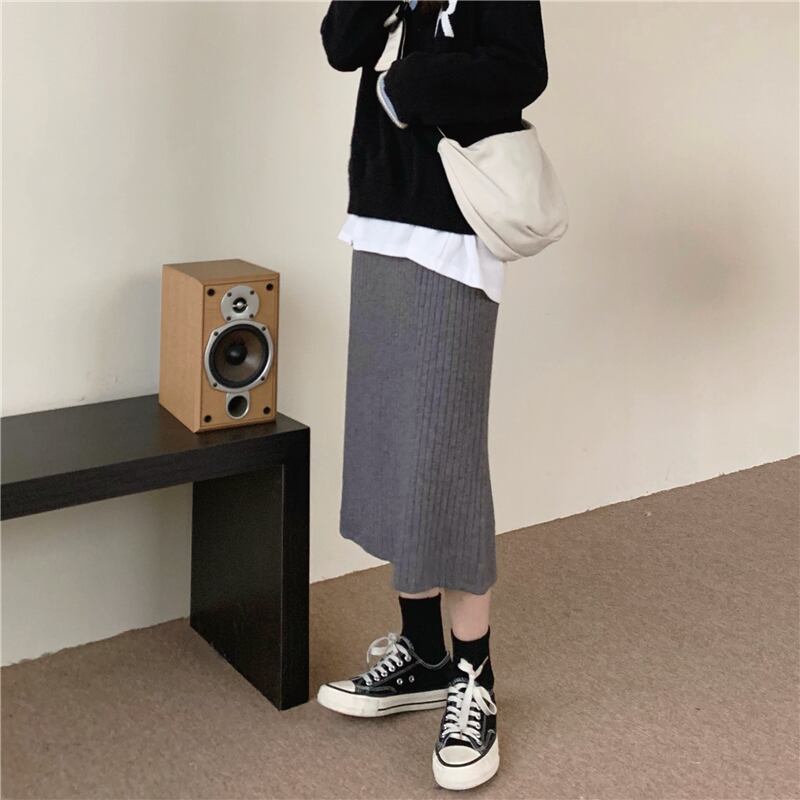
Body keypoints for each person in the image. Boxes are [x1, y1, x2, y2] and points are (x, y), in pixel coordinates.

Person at [317, 0, 548, 790]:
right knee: (389, 437)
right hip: (379, 213)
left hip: (454, 223)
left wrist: (405, 88)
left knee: (444, 454)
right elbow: (341, 44)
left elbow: (521, 69)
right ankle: (421, 653)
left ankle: (474, 674)